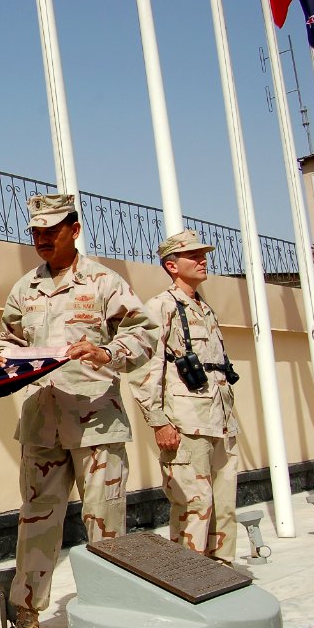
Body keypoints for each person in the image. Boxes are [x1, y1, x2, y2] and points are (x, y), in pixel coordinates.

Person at [0, 194, 157, 628]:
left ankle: (111, 610)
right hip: (43, 422)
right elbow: (9, 338)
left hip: (96, 420)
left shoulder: (103, 282)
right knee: (36, 520)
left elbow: (144, 335)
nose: (41, 239)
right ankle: (27, 613)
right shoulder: (25, 288)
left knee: (105, 519)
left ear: (73, 230)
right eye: (35, 232)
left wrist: (106, 351)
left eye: (51, 231)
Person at [129, 229, 239, 563]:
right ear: (172, 265)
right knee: (194, 504)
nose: (202, 260)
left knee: (224, 505)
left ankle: (223, 570)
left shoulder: (203, 308)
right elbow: (144, 368)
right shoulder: (161, 307)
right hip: (186, 423)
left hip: (219, 420)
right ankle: (191, 576)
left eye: (203, 254)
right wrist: (159, 421)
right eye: (193, 255)